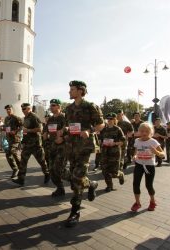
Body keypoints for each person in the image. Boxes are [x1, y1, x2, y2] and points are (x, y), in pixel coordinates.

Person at [61, 80, 104, 227]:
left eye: (72, 89)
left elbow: (101, 124)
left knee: (76, 178)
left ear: (80, 91)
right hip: (71, 147)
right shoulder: (68, 108)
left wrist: (89, 130)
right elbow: (68, 125)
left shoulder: (90, 106)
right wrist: (65, 133)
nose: (69, 91)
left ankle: (75, 211)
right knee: (74, 177)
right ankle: (91, 184)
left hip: (84, 147)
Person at [12, 103, 50, 186]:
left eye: (24, 109)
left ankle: (47, 174)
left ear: (29, 109)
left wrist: (28, 130)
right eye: (22, 109)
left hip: (35, 144)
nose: (23, 110)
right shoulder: (25, 118)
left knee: (42, 161)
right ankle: (21, 179)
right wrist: (22, 142)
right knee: (23, 161)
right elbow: (24, 131)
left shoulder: (34, 116)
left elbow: (40, 129)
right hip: (27, 144)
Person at [131, 122, 165, 212]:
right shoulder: (137, 141)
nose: (144, 133)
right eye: (142, 131)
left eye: (146, 131)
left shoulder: (153, 142)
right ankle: (137, 203)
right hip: (139, 165)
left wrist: (156, 152)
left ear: (150, 132)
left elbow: (163, 154)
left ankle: (152, 201)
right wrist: (134, 156)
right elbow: (136, 152)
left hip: (149, 166)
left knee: (148, 185)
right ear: (139, 132)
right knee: (135, 184)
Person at [43, 99, 67, 197]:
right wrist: (44, 134)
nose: (51, 107)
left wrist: (63, 138)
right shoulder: (50, 119)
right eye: (51, 105)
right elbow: (46, 131)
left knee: (59, 169)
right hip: (52, 147)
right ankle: (60, 188)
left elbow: (72, 131)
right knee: (52, 170)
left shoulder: (65, 117)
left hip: (63, 147)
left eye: (53, 105)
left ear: (59, 106)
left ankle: (81, 181)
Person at [99, 113, 125, 192]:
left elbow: (123, 141)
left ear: (114, 120)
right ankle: (109, 186)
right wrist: (101, 143)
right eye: (108, 119)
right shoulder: (104, 129)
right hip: (105, 153)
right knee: (105, 170)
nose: (109, 121)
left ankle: (120, 175)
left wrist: (115, 143)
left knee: (114, 172)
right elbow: (100, 139)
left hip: (114, 153)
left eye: (111, 119)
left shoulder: (118, 129)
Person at [4, 105, 23, 178]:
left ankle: (17, 169)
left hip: (15, 139)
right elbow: (7, 127)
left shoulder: (16, 118)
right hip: (9, 139)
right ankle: (19, 168)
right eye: (7, 109)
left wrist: (15, 131)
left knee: (9, 152)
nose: (8, 110)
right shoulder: (6, 118)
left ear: (12, 110)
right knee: (14, 154)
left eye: (9, 109)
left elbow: (22, 126)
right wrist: (4, 129)